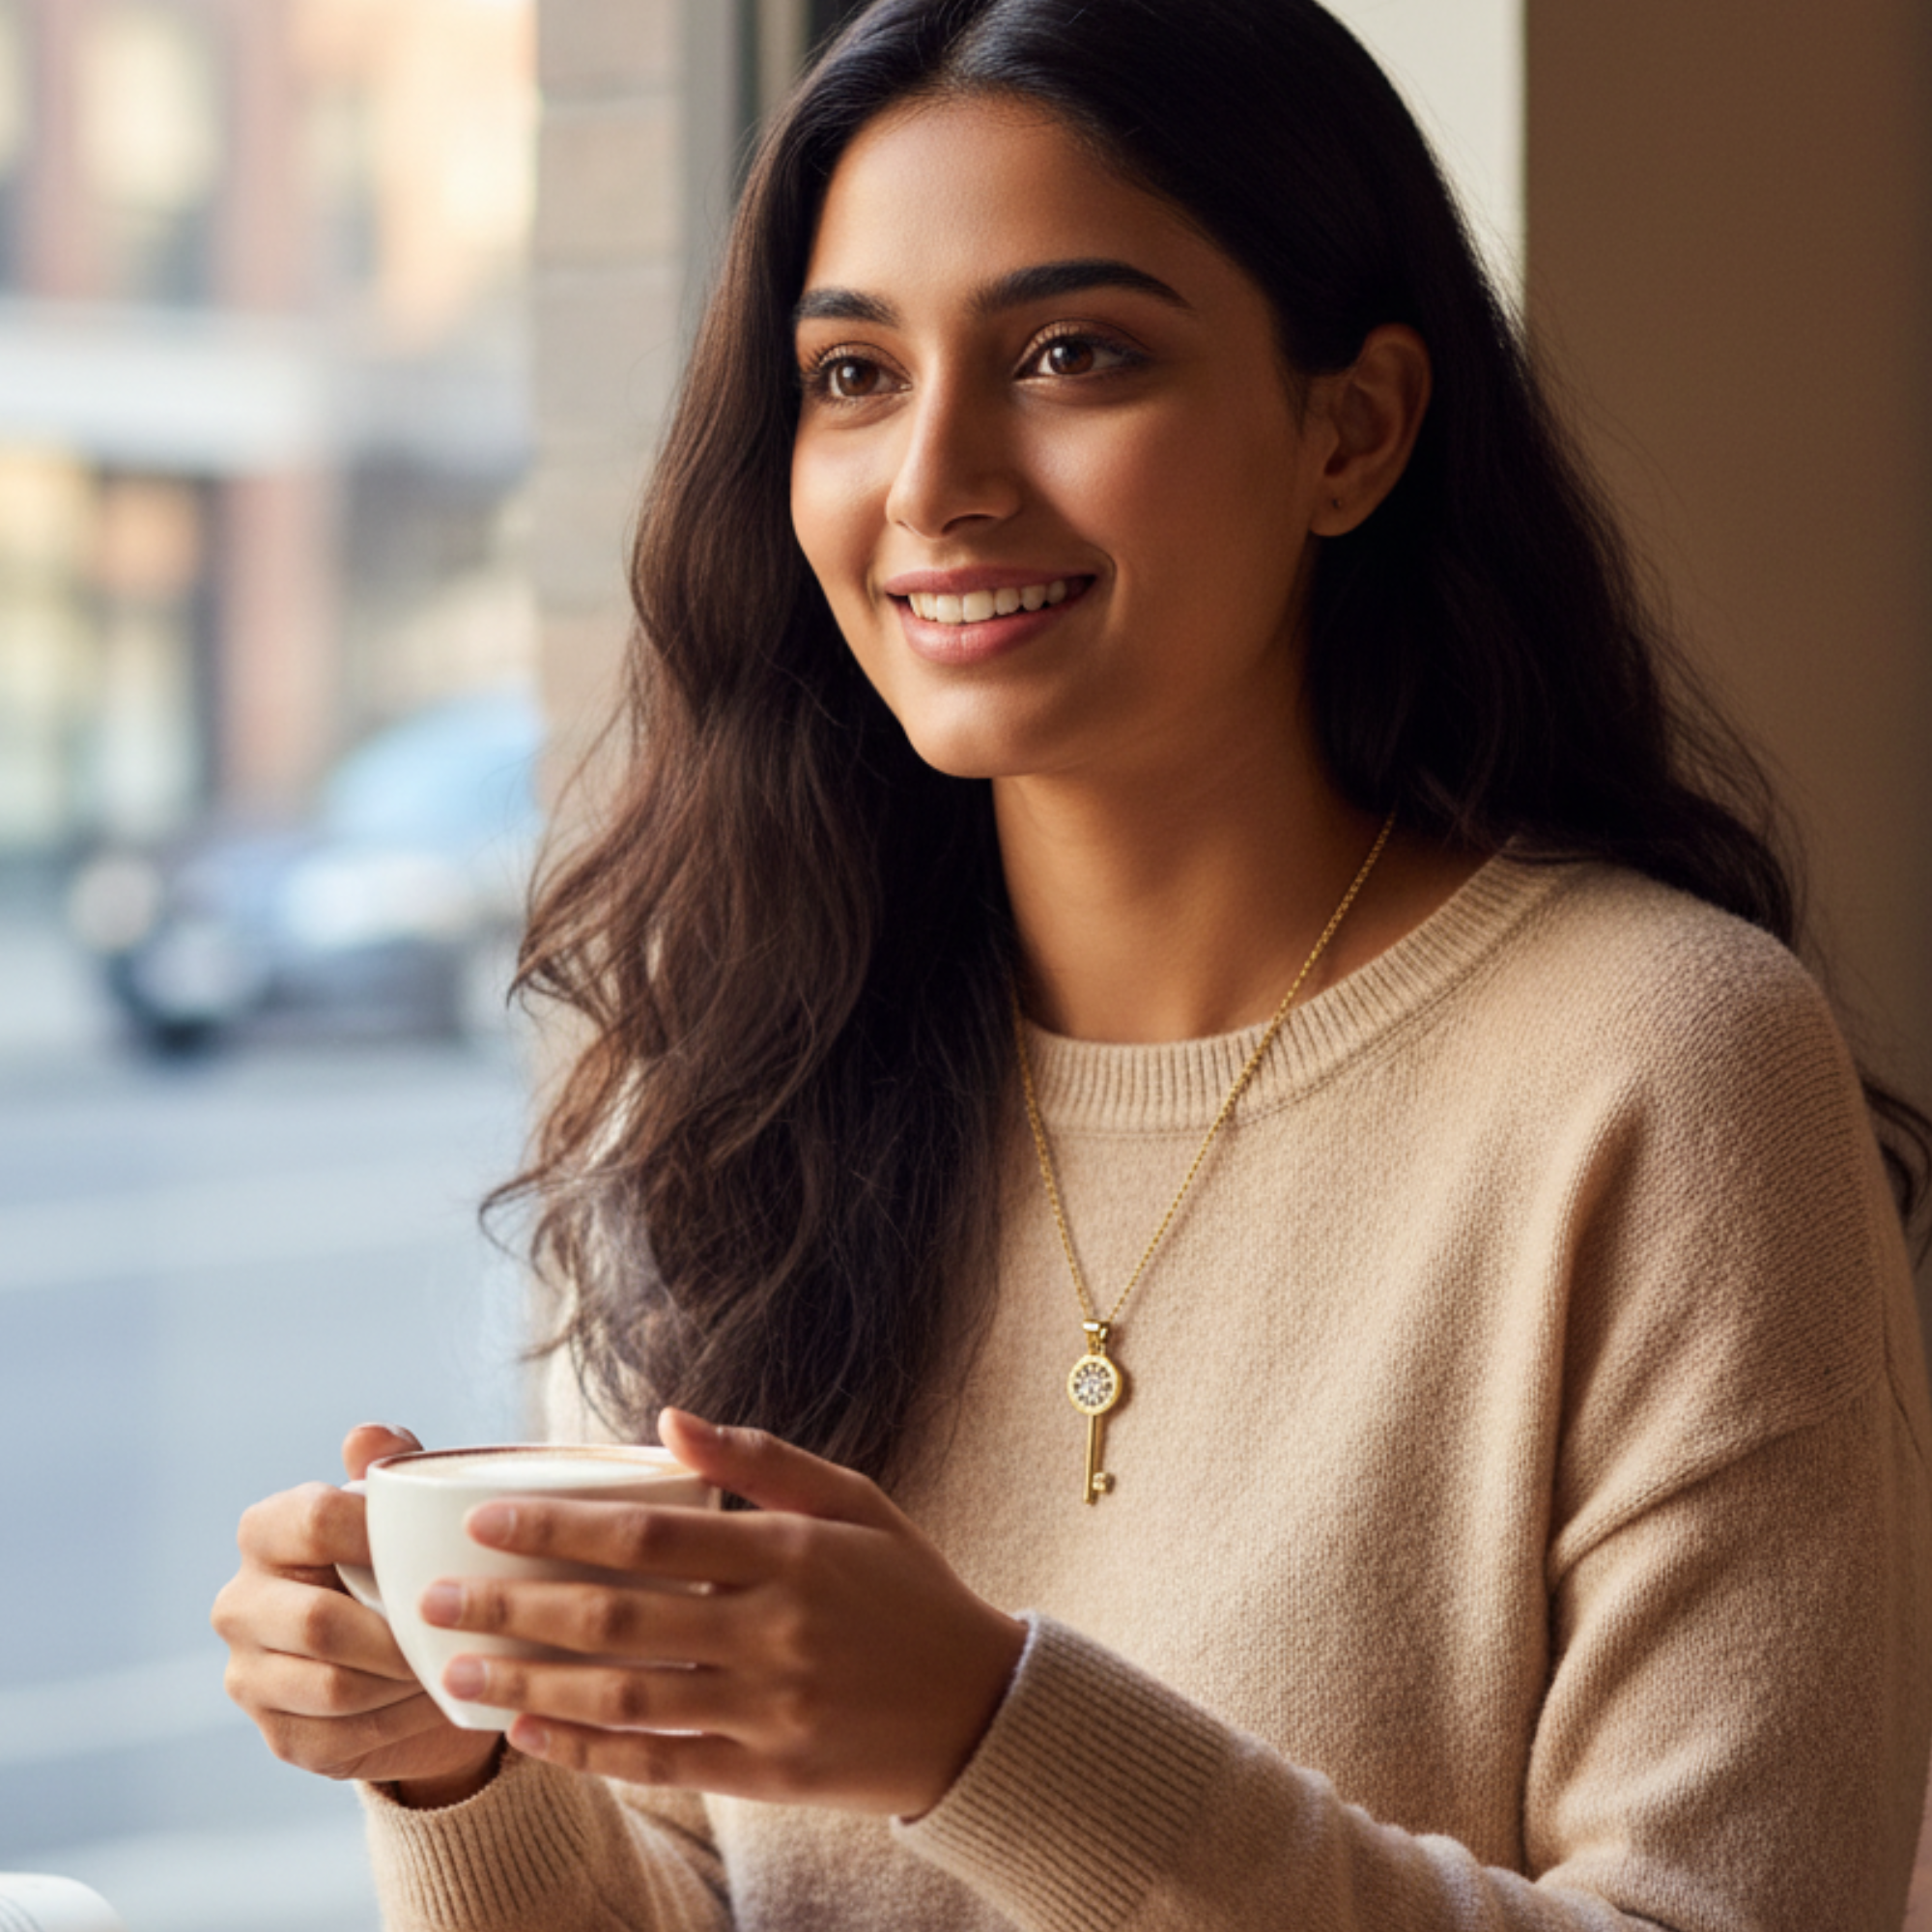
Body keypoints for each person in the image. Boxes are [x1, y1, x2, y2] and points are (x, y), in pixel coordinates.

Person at [212, 1, 1932, 1926]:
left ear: (1350, 429)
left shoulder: (1660, 1063)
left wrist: (982, 1730)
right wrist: (453, 1761)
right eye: (853, 373)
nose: (933, 476)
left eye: (1068, 354)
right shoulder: (752, 1066)